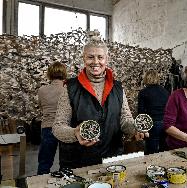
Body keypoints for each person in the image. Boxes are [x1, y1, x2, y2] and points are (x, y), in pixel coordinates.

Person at [52, 31, 148, 169]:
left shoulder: (118, 88)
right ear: (84, 58)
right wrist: (75, 133)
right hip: (78, 162)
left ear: (106, 59)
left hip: (112, 160)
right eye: (90, 57)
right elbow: (58, 127)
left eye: (100, 57)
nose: (96, 62)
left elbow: (125, 119)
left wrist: (135, 128)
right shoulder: (70, 88)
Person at [37, 62, 67, 175]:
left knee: (44, 162)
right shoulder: (67, 89)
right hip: (64, 128)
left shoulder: (42, 90)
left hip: (47, 127)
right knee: (65, 162)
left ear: (49, 73)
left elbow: (41, 106)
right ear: (64, 73)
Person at [138, 70, 169, 154]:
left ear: (146, 78)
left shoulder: (143, 92)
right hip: (165, 123)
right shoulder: (165, 92)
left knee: (151, 151)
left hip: (151, 124)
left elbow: (141, 112)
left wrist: (141, 129)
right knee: (163, 149)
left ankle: (151, 166)